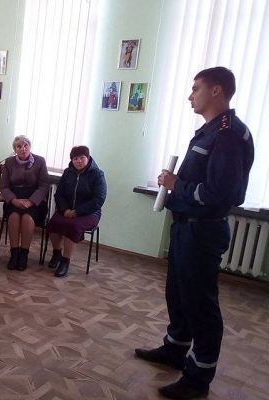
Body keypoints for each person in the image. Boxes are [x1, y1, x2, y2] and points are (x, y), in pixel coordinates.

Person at [135, 67, 254, 399]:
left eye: (195, 88)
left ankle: (198, 377)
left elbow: (221, 194)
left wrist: (176, 184)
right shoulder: (210, 131)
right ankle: (175, 348)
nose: (190, 96)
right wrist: (176, 185)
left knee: (201, 304)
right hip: (186, 227)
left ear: (216, 90)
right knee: (179, 294)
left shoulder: (228, 134)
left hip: (203, 231)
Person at [46, 146, 106, 277]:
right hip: (67, 210)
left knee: (73, 226)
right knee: (53, 223)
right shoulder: (68, 172)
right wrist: (65, 209)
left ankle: (65, 261)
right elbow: (59, 194)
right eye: (75, 158)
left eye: (82, 158)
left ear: (88, 158)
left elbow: (98, 199)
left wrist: (77, 212)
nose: (78, 161)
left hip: (90, 213)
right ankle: (57, 253)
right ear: (72, 160)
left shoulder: (97, 174)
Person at [1, 135, 49, 271]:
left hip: (35, 200)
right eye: (19, 146)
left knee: (27, 218)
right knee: (14, 217)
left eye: (26, 145)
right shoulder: (9, 162)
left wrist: (31, 201)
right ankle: (14, 254)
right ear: (15, 149)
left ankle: (24, 254)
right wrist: (14, 200)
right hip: (14, 198)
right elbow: (4, 187)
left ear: (30, 146)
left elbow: (44, 186)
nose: (23, 148)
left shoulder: (40, 161)